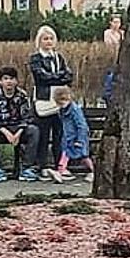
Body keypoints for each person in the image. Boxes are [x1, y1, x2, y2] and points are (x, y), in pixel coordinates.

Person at [29, 24, 74, 175]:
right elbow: (41, 78)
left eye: (51, 38)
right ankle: (42, 166)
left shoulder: (59, 57)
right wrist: (59, 77)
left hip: (59, 100)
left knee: (59, 134)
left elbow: (69, 76)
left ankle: (60, 165)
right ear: (39, 41)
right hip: (44, 99)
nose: (48, 42)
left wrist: (58, 78)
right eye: (45, 39)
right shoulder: (35, 58)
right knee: (43, 133)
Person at [0, 66, 40, 183]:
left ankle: (26, 168)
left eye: (12, 79)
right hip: (2, 129)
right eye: (5, 79)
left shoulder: (22, 95)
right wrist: (7, 132)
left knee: (34, 130)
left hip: (19, 128)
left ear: (16, 81)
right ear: (0, 81)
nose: (9, 81)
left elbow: (27, 117)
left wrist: (18, 133)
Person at [52, 86, 91, 182]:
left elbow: (82, 125)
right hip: (68, 138)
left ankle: (93, 170)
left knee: (83, 156)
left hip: (78, 137)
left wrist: (80, 140)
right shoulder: (62, 110)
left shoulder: (75, 110)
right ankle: (61, 171)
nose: (62, 104)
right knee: (65, 154)